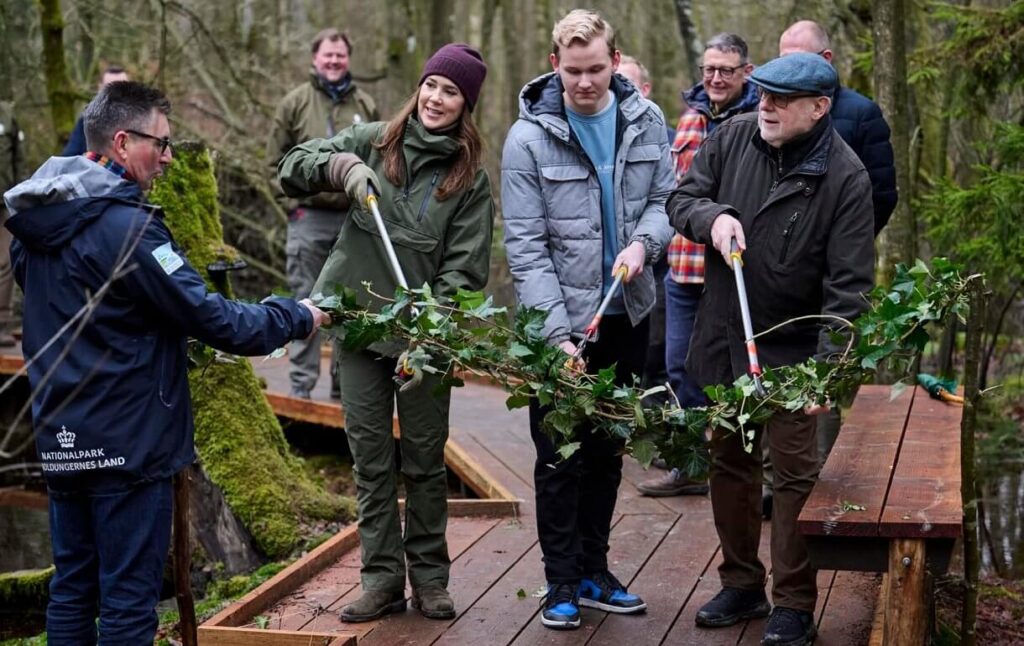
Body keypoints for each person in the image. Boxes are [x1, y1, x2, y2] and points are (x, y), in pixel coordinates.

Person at [3, 81, 329, 645]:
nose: (170, 157)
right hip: (129, 443)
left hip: (60, 437)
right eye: (162, 143)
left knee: (74, 588)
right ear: (123, 142)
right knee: (129, 600)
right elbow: (215, 319)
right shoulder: (130, 230)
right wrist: (297, 315)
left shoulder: (35, 229)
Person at [278, 43, 493, 623]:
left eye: (451, 92)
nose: (436, 98)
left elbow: (466, 269)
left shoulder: (469, 178)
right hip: (356, 327)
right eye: (431, 85)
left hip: (425, 338)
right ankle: (380, 579)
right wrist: (340, 167)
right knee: (370, 460)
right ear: (419, 86)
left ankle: (430, 578)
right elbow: (291, 164)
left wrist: (430, 328)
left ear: (465, 104)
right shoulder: (375, 139)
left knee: (423, 460)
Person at [666, 53, 874, 646]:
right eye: (763, 95)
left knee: (793, 475)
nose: (767, 106)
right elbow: (679, 201)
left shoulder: (846, 178)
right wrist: (714, 218)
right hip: (722, 336)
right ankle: (740, 584)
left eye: (782, 99)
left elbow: (849, 290)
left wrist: (828, 378)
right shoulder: (730, 139)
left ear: (819, 108)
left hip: (794, 353)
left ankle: (794, 604)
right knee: (728, 461)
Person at [501, 9, 674, 630]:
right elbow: (526, 248)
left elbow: (665, 202)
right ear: (555, 65)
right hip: (561, 327)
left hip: (629, 311)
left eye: (596, 69)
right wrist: (556, 337)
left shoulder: (647, 120)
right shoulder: (527, 139)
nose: (585, 83)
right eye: (573, 71)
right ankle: (561, 584)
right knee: (558, 456)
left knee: (607, 448)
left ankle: (597, 571)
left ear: (614, 60)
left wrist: (645, 244)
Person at [637, 33, 759, 498]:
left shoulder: (756, 121)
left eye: (726, 70)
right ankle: (690, 462)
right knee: (677, 366)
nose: (715, 78)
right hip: (682, 269)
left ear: (745, 72)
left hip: (732, 271)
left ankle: (736, 466)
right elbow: (673, 192)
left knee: (731, 371)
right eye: (709, 69)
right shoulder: (688, 121)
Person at [268, 28, 379, 400]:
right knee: (306, 299)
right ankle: (300, 389)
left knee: (349, 304)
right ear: (315, 58)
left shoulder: (366, 104)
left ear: (348, 59)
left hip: (354, 220)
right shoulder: (294, 103)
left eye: (340, 55)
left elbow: (379, 160)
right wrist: (293, 206)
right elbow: (273, 164)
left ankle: (340, 391)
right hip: (309, 219)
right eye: (328, 55)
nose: (334, 61)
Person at [617, 54, 673, 406]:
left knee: (660, 351)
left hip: (661, 263)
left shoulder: (663, 135)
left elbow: (669, 198)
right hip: (615, 268)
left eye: (630, 83)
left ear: (646, 89)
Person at [0, 100, 25, 346]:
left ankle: (2, 325)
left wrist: (20, 195)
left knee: (5, 262)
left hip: (3, 202)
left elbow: (18, 157)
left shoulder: (7, 114)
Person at [63, 65, 129, 156]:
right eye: (109, 88)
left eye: (121, 88)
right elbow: (70, 157)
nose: (116, 93)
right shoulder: (88, 121)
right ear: (100, 88)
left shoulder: (143, 121)